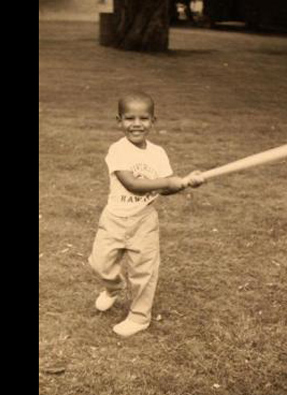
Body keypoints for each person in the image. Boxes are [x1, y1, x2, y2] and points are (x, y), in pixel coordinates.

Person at [87, 91, 205, 337]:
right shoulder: (118, 150)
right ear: (119, 121)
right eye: (130, 118)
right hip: (115, 219)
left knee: (144, 271)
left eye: (144, 118)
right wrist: (169, 181)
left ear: (153, 121)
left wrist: (183, 184)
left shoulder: (158, 153)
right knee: (100, 264)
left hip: (144, 221)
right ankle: (113, 287)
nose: (137, 124)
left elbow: (164, 189)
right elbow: (132, 183)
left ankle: (139, 317)